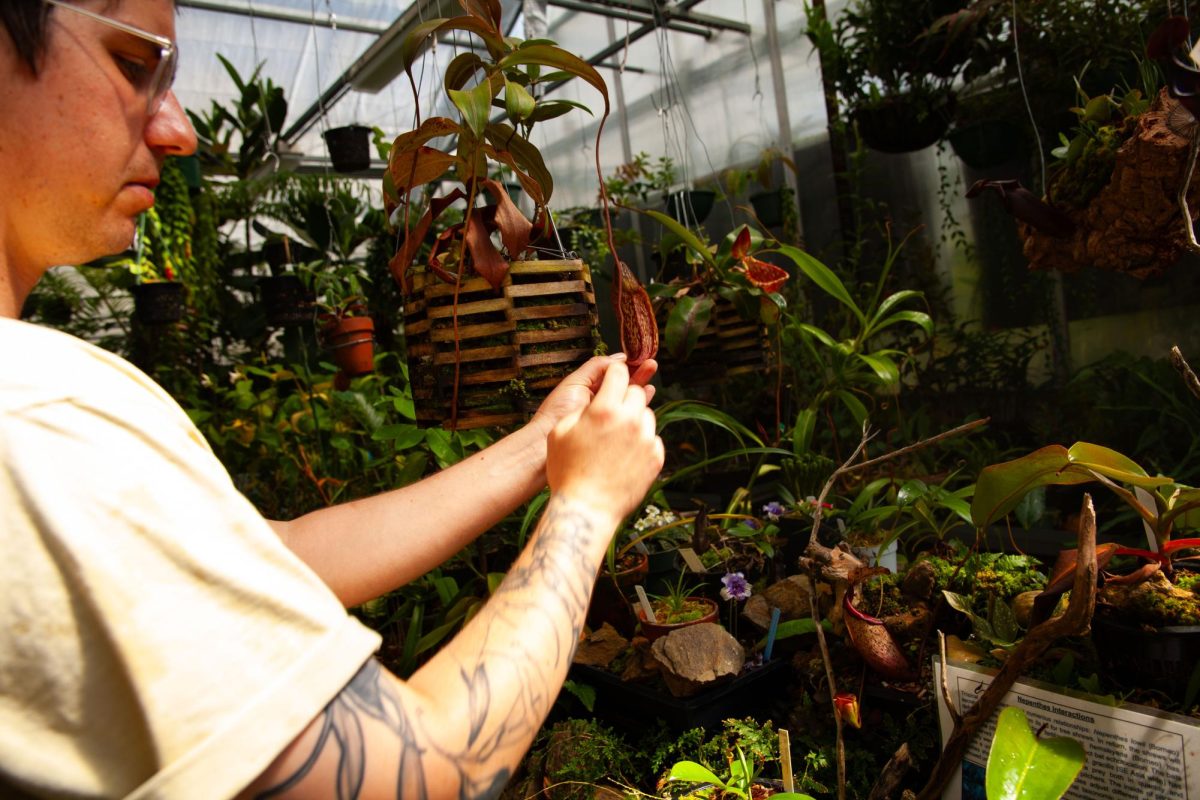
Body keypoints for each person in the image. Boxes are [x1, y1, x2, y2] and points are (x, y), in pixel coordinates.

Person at [0, 1, 665, 797]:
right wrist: (586, 510)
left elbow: (271, 557)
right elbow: (420, 775)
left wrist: (541, 444)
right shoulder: (35, 414)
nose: (178, 130)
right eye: (134, 64)